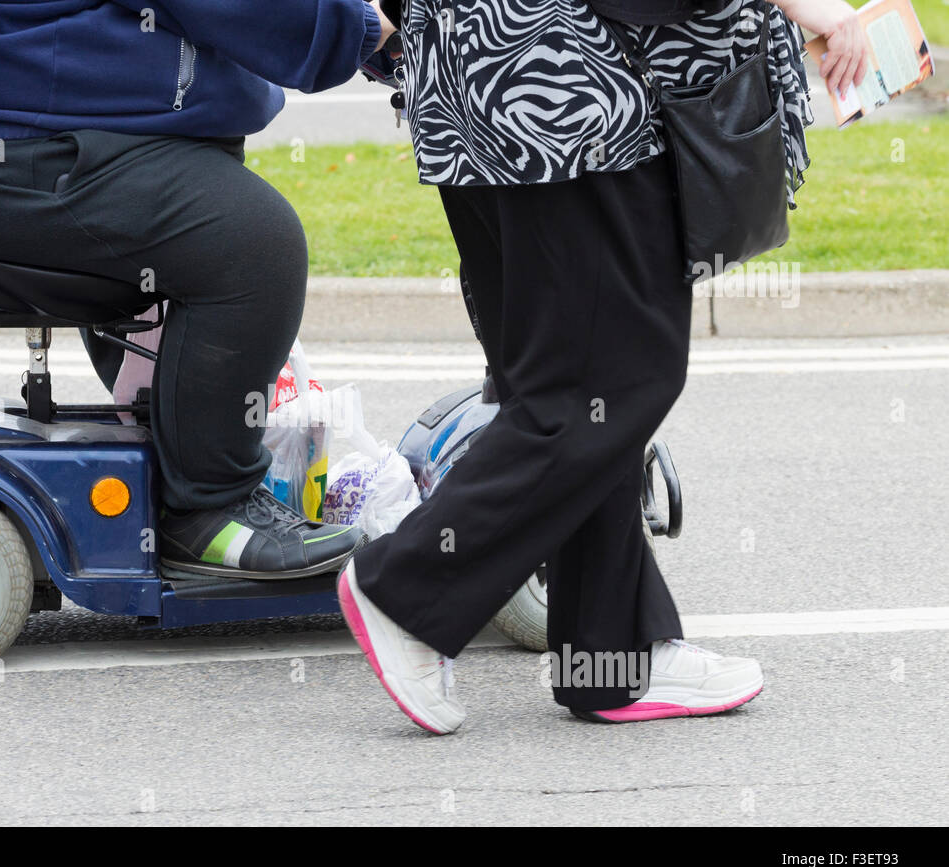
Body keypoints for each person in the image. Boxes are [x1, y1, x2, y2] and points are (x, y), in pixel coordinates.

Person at [339, 0, 869, 733]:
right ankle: (406, 590)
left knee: (564, 386)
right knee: (609, 382)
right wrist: (824, 12)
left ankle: (611, 659)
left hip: (477, 82)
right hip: (575, 89)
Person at [0, 0, 394, 579]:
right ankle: (209, 509)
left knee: (191, 201)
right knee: (251, 242)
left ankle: (179, 458)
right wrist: (364, 31)